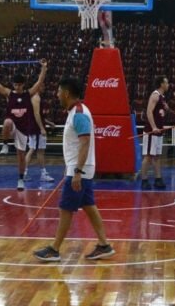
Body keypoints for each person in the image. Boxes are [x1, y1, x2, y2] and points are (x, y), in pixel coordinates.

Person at [33, 77, 115, 262]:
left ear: (67, 93)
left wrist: (76, 171)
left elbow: (85, 143)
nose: (57, 95)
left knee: (65, 208)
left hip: (81, 170)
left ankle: (54, 249)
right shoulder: (75, 112)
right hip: (80, 168)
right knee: (89, 206)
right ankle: (104, 245)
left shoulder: (79, 113)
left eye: (59, 91)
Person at [0, 60, 48, 191]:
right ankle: (5, 144)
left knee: (21, 156)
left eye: (19, 85)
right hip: (12, 126)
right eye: (15, 85)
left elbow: (39, 82)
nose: (17, 87)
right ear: (13, 85)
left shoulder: (28, 94)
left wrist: (44, 68)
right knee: (7, 122)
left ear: (23, 85)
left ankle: (20, 179)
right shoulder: (8, 93)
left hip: (23, 129)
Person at [137, 76, 171, 190]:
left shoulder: (162, 97)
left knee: (156, 156)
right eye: (166, 83)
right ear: (162, 84)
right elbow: (149, 112)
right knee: (148, 156)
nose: (168, 85)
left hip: (158, 131)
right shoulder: (155, 95)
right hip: (152, 131)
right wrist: (154, 127)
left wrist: (166, 107)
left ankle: (158, 178)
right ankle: (144, 180)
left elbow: (161, 111)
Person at [25, 93, 54, 183]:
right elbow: (36, 114)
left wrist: (49, 123)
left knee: (33, 149)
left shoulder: (34, 97)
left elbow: (39, 116)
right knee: (37, 151)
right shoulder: (36, 97)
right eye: (42, 84)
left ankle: (25, 173)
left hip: (33, 128)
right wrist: (42, 128)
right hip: (36, 129)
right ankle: (42, 174)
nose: (44, 87)